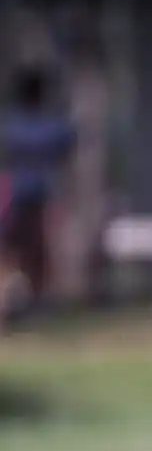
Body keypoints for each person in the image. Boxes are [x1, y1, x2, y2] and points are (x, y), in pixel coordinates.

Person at [0, 69, 75, 327]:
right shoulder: (34, 125)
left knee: (33, 255)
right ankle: (18, 303)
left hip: (28, 197)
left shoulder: (14, 124)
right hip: (23, 198)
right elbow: (65, 140)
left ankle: (30, 302)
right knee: (23, 255)